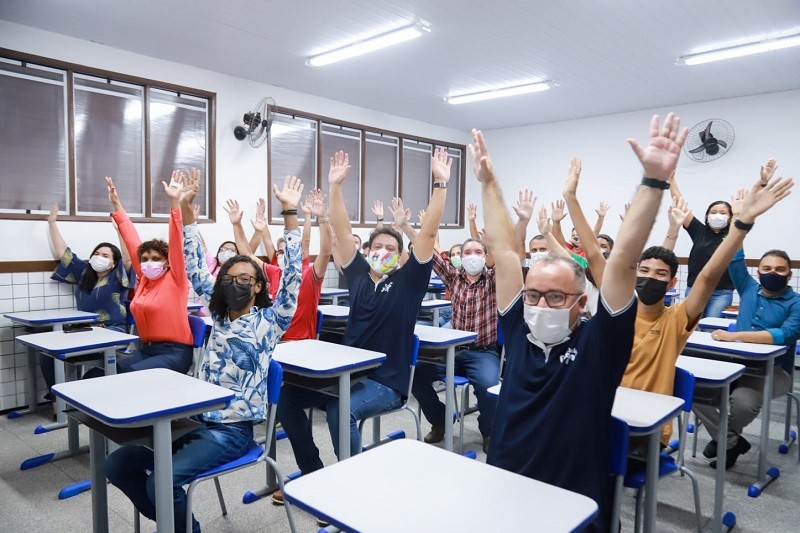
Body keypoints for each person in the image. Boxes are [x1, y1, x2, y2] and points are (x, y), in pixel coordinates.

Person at [480, 113, 689, 533]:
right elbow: (504, 253)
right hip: (503, 481)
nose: (541, 304)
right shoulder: (518, 331)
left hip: (571, 498)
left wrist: (653, 182)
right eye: (534, 294)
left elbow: (624, 261)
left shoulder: (600, 342)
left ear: (581, 303)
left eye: (555, 296)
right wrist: (488, 182)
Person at [104, 172, 304, 533]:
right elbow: (195, 264)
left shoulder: (271, 320)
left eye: (246, 279)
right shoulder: (219, 315)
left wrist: (290, 213)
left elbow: (292, 275)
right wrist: (185, 208)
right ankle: (176, 522)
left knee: (158, 482)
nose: (237, 283)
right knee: (115, 466)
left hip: (232, 430)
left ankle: (179, 525)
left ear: (259, 287)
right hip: (194, 420)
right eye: (230, 278)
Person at [276, 148, 451, 485]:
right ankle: (314, 472)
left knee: (339, 411)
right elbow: (342, 233)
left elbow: (427, 234)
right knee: (286, 396)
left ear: (401, 257)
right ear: (367, 251)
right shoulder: (357, 275)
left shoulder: (408, 283)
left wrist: (440, 184)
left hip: (386, 382)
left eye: (390, 248)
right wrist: (336, 187)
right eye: (377, 247)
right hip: (346, 376)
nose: (382, 251)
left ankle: (351, 486)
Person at [693, 182, 798, 467]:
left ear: (789, 275)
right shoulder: (748, 288)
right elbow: (735, 255)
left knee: (741, 402)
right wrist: (740, 217)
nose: (772, 273)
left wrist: (735, 336)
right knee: (693, 387)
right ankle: (731, 441)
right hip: (734, 362)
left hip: (772, 371)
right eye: (766, 269)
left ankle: (724, 438)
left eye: (779, 270)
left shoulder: (796, 302)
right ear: (758, 271)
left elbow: (784, 335)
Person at [411, 233, 499, 453]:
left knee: (489, 387)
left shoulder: (492, 280)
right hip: (452, 350)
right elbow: (430, 248)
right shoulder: (454, 276)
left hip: (482, 352)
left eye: (478, 252)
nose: (472, 257)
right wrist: (407, 228)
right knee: (414, 374)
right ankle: (440, 420)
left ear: (486, 256)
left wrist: (495, 240)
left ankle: (489, 431)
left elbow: (509, 257)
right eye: (467, 252)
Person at [41, 203, 135, 397]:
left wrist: (120, 231)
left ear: (113, 262)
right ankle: (56, 401)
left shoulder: (118, 276)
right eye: (96, 254)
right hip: (84, 330)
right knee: (47, 355)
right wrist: (52, 224)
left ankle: (73, 400)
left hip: (113, 331)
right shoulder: (84, 274)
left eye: (105, 255)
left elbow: (128, 258)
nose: (99, 257)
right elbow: (63, 254)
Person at [106, 174, 194, 374]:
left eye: (156, 258)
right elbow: (131, 240)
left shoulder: (176, 277)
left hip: (175, 353)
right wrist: (117, 206)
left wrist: (174, 202)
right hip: (146, 350)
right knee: (106, 371)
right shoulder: (144, 279)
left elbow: (176, 238)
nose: (148, 262)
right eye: (144, 259)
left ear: (167, 262)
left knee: (127, 376)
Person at [668, 162, 779, 318]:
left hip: (721, 293)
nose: (717, 215)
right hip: (694, 289)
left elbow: (750, 208)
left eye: (722, 212)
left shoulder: (735, 232)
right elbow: (680, 204)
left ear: (730, 217)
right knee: (688, 327)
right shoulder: (699, 231)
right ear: (707, 216)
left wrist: (763, 182)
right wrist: (671, 180)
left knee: (710, 328)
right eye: (713, 212)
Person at [225, 187, 331, 341]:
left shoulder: (309, 274)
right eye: (280, 252)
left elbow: (326, 252)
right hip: (275, 340)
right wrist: (236, 225)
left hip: (301, 342)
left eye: (287, 251)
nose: (283, 255)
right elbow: (247, 255)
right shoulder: (276, 272)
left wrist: (321, 218)